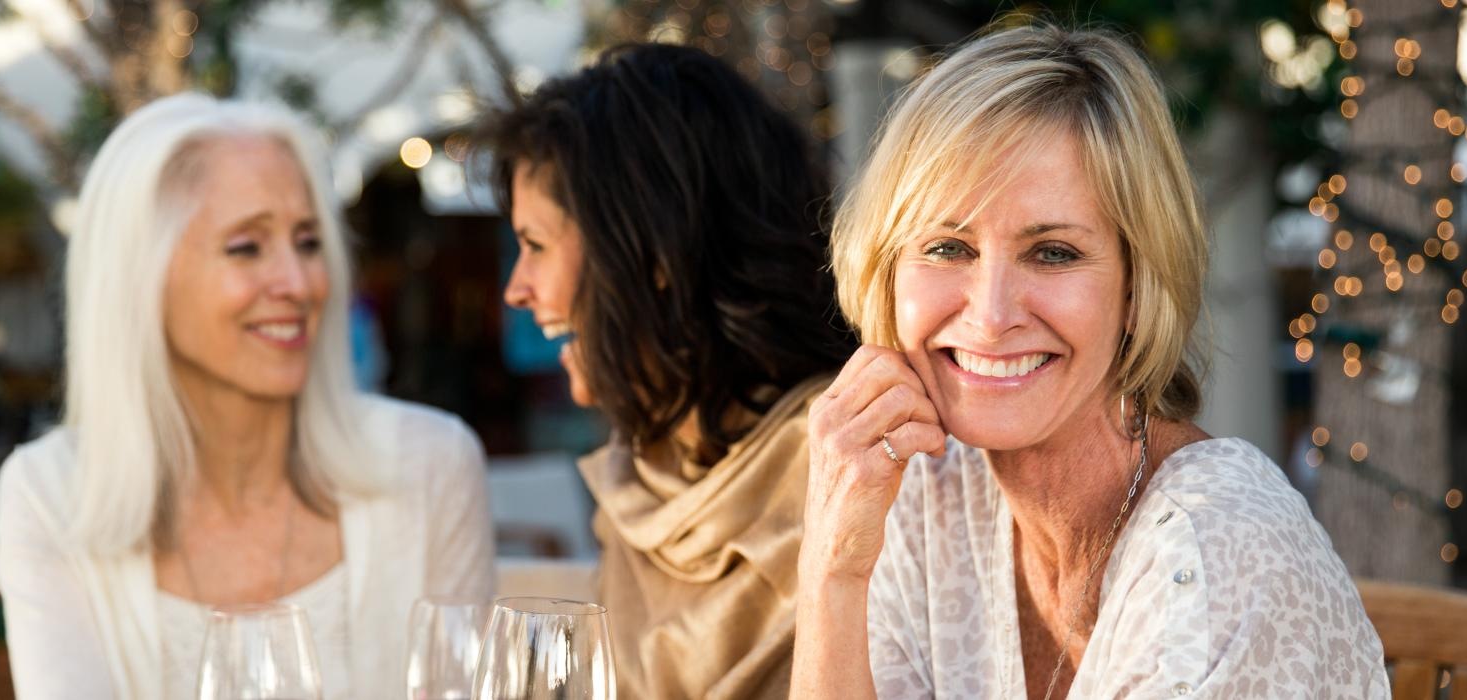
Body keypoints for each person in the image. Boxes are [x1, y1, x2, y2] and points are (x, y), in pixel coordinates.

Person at [791, 24, 1387, 698]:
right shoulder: (929, 493)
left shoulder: (1215, 552)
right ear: (887, 271)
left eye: (1053, 253)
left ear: (1137, 287)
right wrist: (832, 566)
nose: (990, 315)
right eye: (947, 248)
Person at [0, 94, 494, 699]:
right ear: (140, 279)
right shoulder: (50, 496)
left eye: (308, 242)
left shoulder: (431, 465)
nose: (299, 282)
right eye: (246, 247)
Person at [478, 43, 856, 698]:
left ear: (652, 251)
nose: (517, 289)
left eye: (535, 245)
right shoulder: (638, 482)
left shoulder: (853, 462)